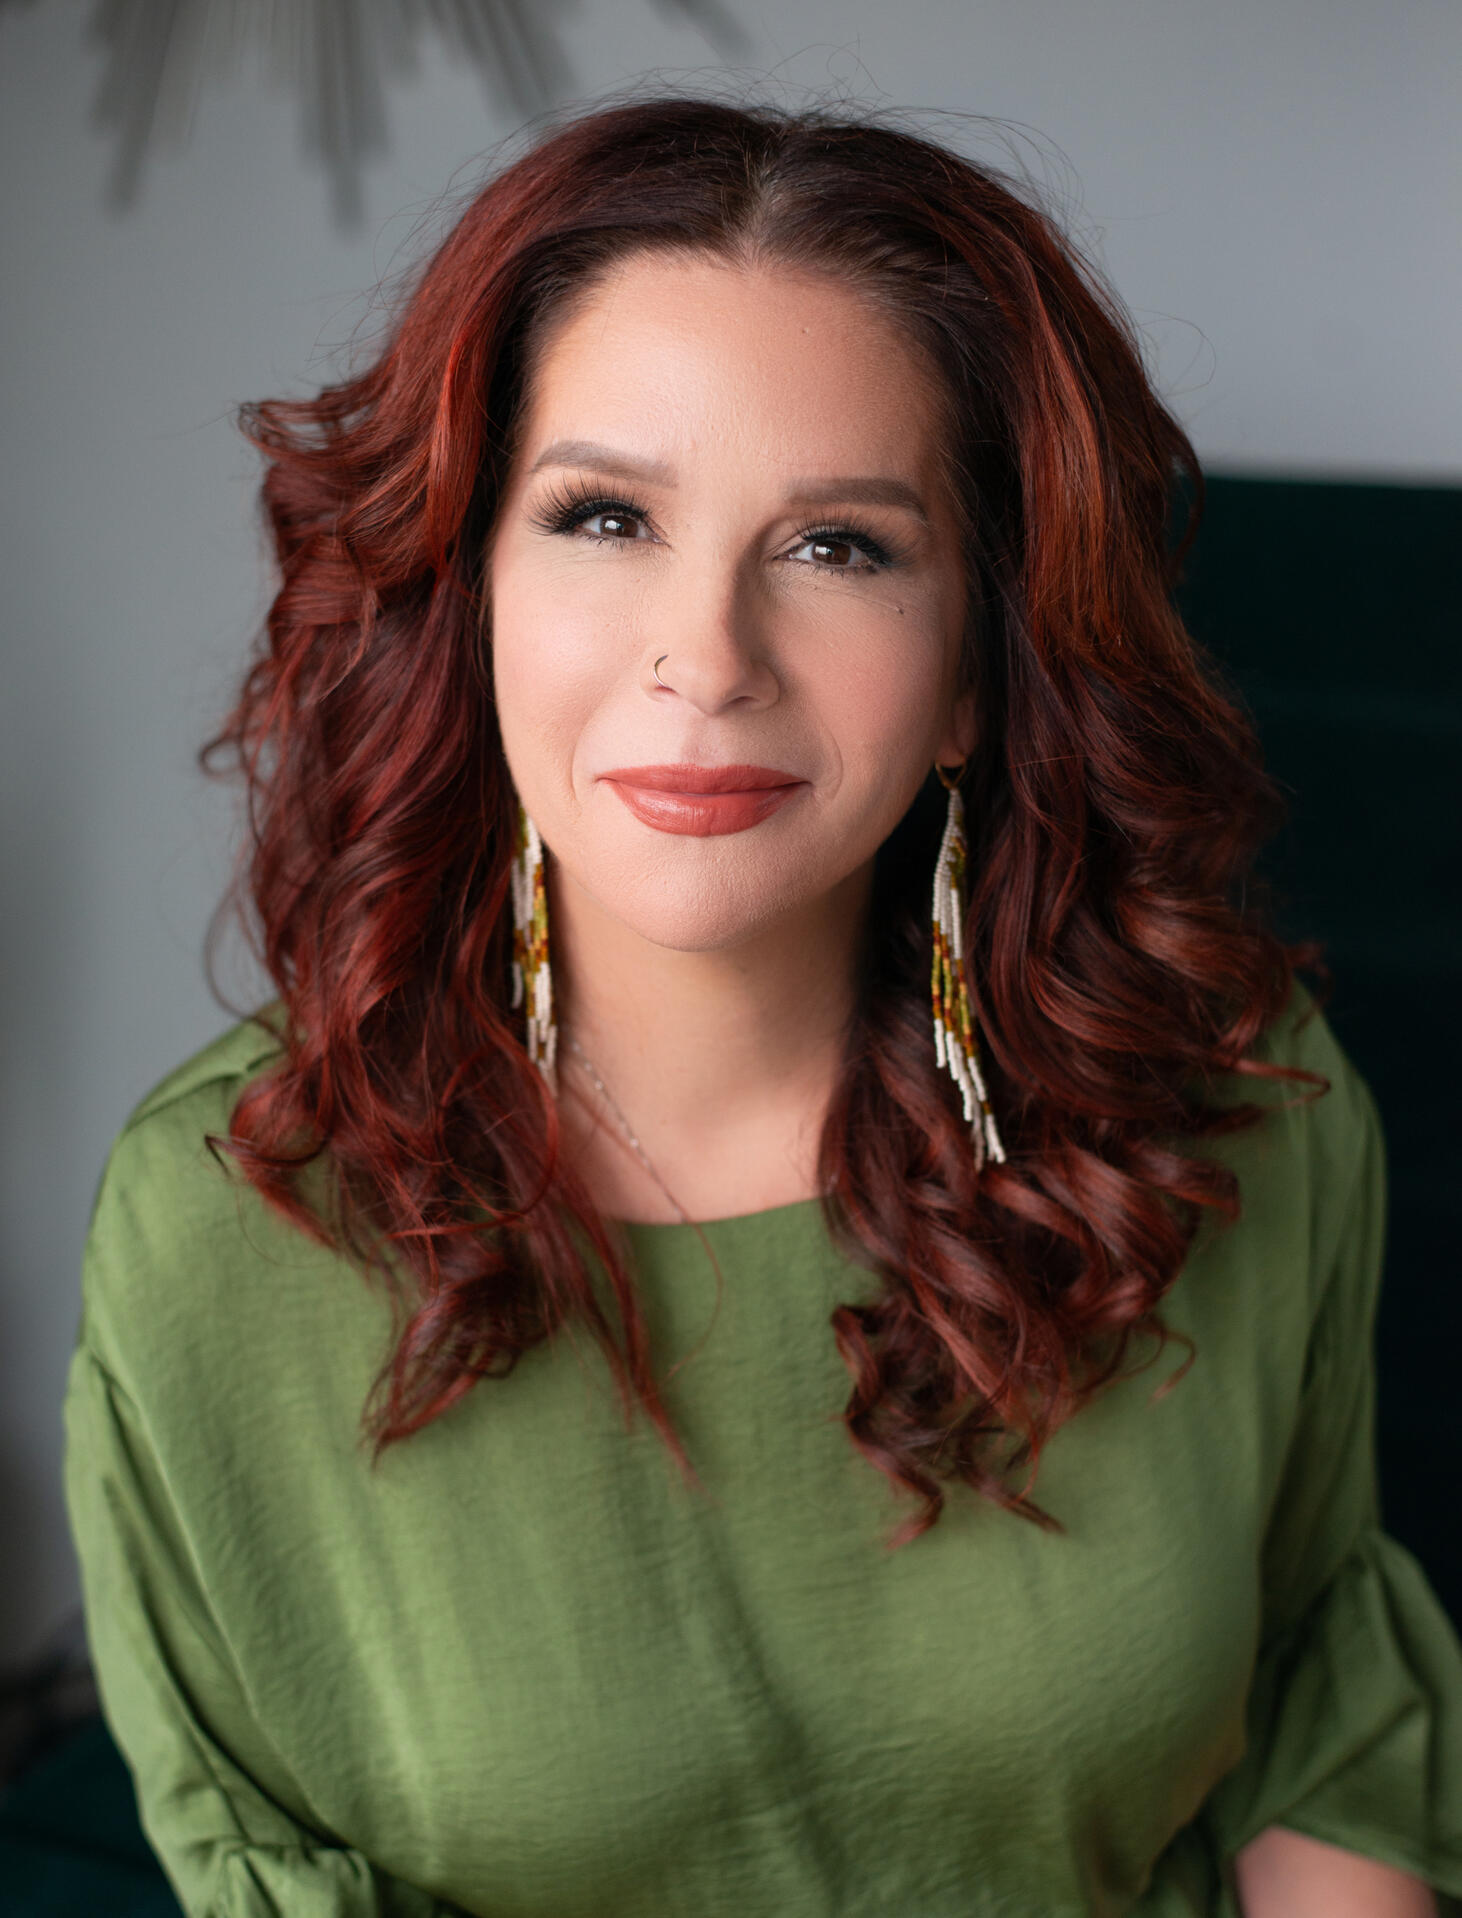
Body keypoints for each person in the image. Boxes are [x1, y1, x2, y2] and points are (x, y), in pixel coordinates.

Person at [63, 92, 1462, 1917]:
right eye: (604, 515)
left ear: (974, 670)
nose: (707, 656)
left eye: (836, 546)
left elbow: (1326, 1727)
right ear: (469, 594)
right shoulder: (216, 1230)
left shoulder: (1238, 1104)